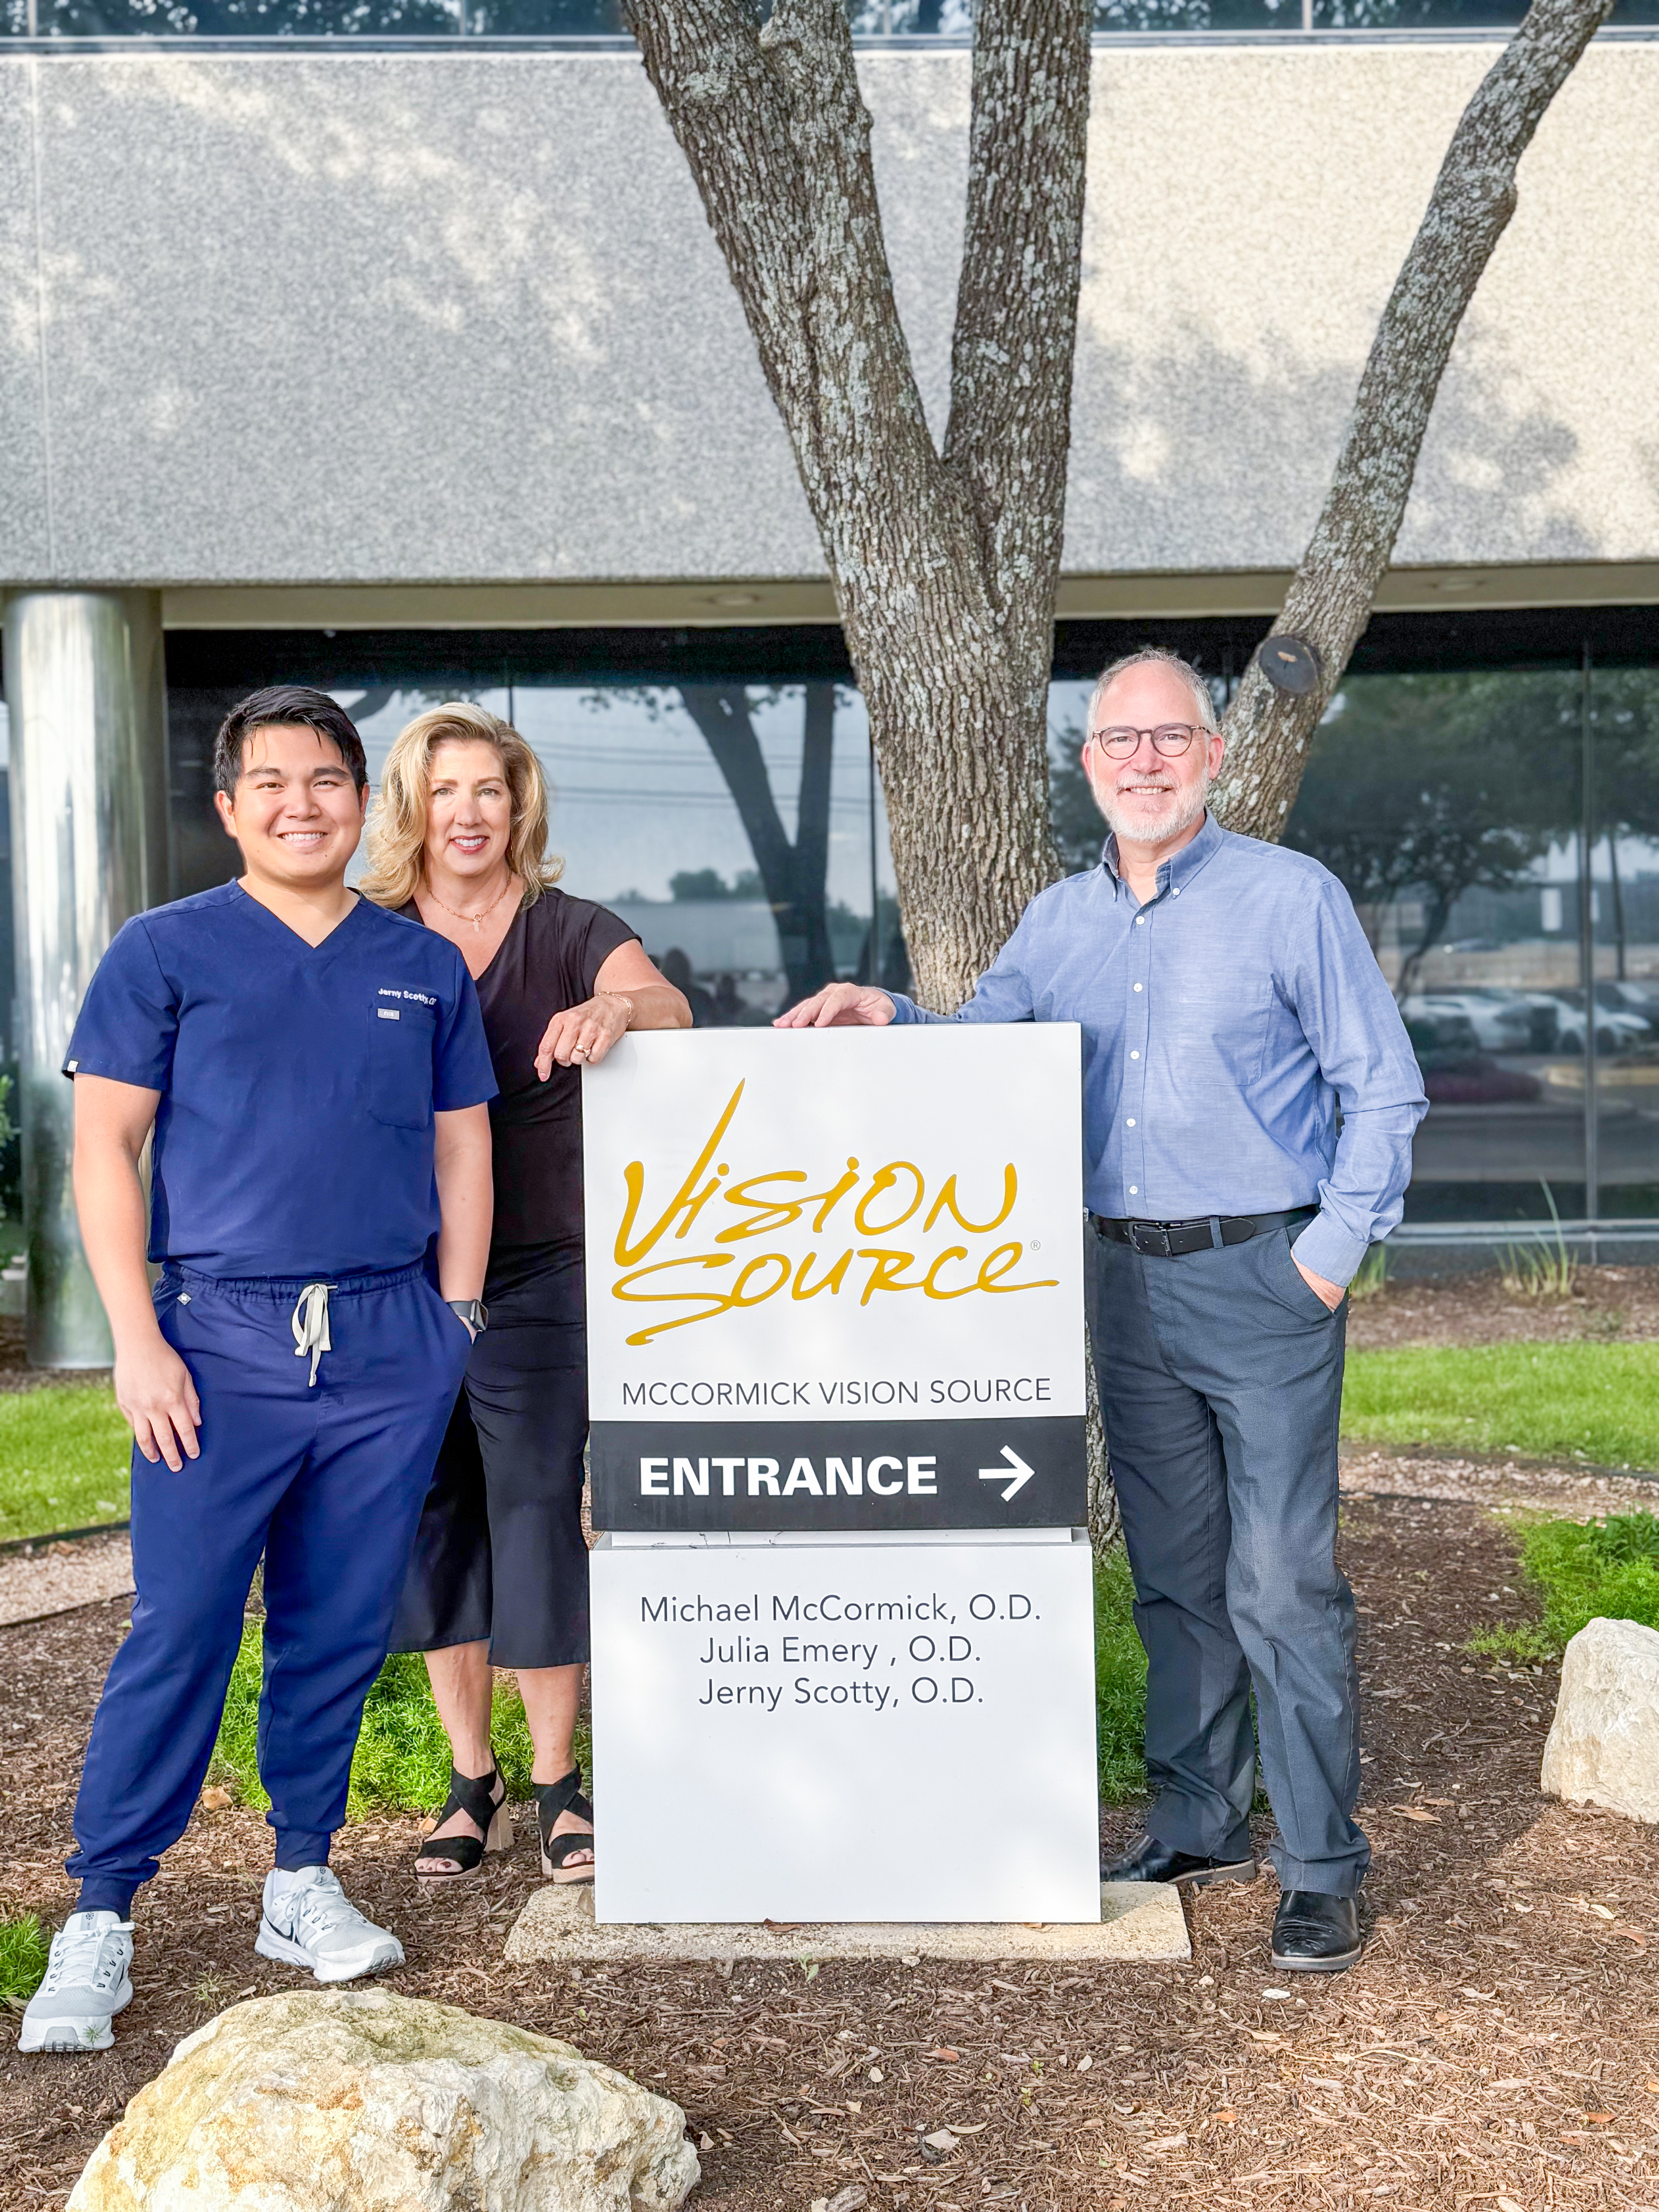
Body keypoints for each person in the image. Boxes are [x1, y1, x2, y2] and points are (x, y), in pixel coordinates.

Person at [776, 646, 1427, 1974]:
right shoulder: (1058, 920)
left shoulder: (1287, 898)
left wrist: (1328, 1253)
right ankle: (1198, 1821)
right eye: (1119, 742)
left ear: (1213, 755)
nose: (1144, 762)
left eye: (1169, 739)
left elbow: (1384, 1089)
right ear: (1087, 766)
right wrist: (887, 1011)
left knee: (1282, 1580)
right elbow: (990, 1043)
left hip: (1264, 1276)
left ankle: (1318, 1866)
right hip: (1120, 1281)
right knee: (1178, 1576)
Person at [21, 687, 495, 2056]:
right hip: (213, 1341)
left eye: (331, 780)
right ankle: (103, 1906)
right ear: (228, 807)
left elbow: (462, 1147)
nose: (305, 803)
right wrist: (138, 1341)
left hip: (388, 1338)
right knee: (180, 1625)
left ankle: (299, 1876)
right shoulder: (166, 951)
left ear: (364, 802)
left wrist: (451, 1322)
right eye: (273, 781)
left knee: (338, 1626)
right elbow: (103, 1151)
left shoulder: (420, 965)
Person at [360, 704, 689, 1889]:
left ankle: (559, 1784)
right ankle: (470, 1781)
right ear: (413, 809)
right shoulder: (373, 935)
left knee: (541, 1509)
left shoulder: (569, 929)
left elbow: (670, 1005)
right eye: (443, 793)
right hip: (397, 1281)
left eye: (488, 793)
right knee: (435, 1518)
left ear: (519, 807)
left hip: (546, 1273)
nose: (467, 814)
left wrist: (617, 1009)